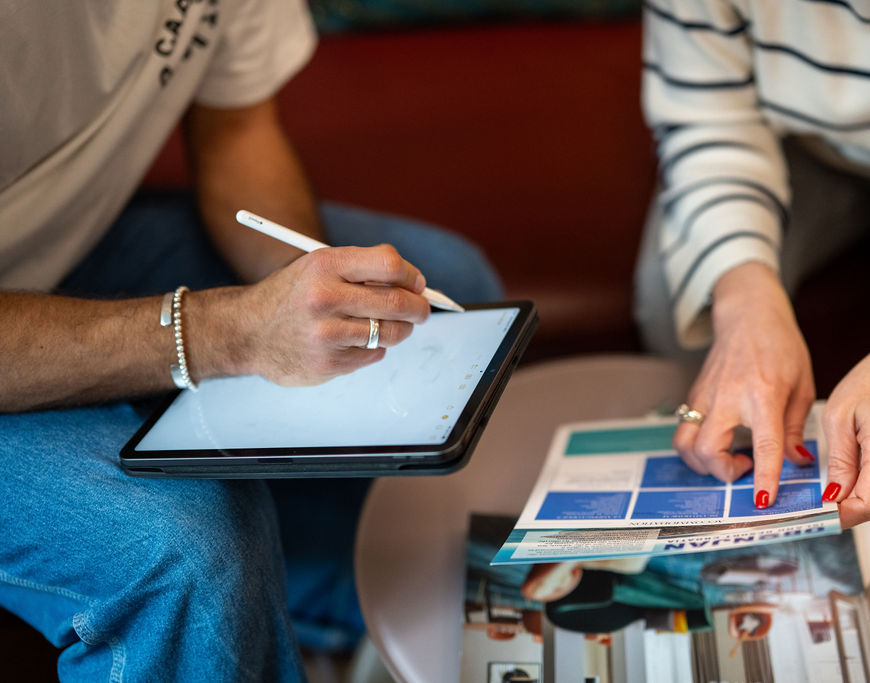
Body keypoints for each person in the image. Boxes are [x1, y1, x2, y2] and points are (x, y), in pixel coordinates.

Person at [0, 1, 501, 680]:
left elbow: (238, 128)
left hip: (63, 249)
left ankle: (316, 612)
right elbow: (218, 334)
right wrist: (226, 333)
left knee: (449, 292)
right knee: (184, 550)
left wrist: (308, 294)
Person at [634, 1, 870, 627]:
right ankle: (706, 535)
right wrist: (744, 301)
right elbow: (708, 120)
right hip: (795, 143)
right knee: (668, 285)